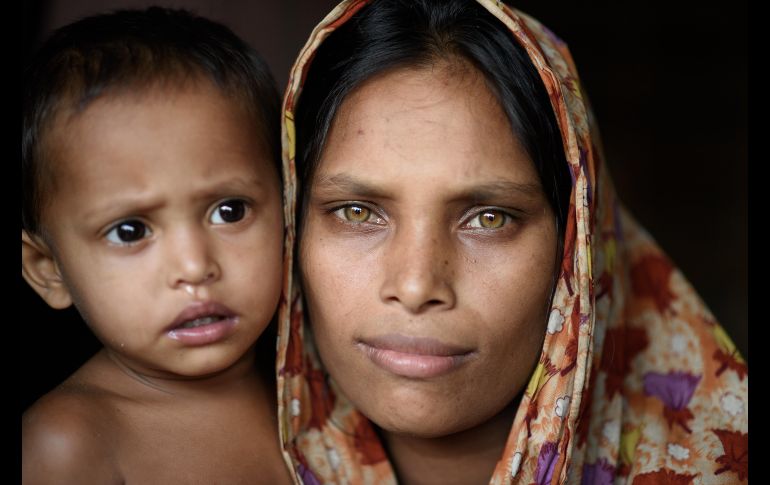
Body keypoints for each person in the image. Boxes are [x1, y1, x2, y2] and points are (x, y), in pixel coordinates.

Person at [276, 0, 749, 483]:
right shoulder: (216, 462)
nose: (416, 285)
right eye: (358, 212)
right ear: (292, 227)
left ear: (576, 246)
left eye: (489, 218)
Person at [21, 7, 292, 483]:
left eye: (230, 210)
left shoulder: (308, 386)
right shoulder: (68, 444)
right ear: (47, 268)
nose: (193, 266)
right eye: (130, 231)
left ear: (289, 205)